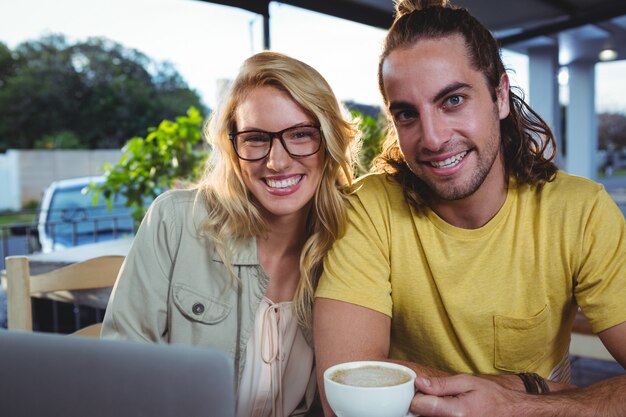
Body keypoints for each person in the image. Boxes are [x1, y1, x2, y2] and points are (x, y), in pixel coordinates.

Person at [313, 1, 626, 416]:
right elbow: (345, 391)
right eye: (407, 114)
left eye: (453, 100)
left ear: (499, 96)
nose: (433, 138)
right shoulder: (369, 210)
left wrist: (518, 406)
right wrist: (526, 386)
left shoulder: (580, 211)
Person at [101, 51, 358, 417]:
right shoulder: (175, 221)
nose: (277, 161)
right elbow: (121, 370)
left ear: (329, 140)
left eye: (301, 134)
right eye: (255, 138)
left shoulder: (351, 239)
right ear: (232, 146)